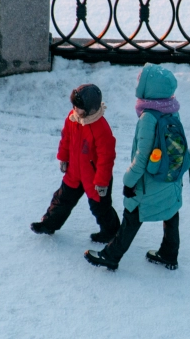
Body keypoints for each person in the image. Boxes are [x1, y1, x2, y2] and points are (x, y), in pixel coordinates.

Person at [85, 63, 184, 271]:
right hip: (170, 178)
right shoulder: (172, 109)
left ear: (150, 88)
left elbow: (141, 158)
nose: (138, 83)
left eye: (141, 81)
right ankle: (169, 254)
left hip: (148, 181)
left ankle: (111, 256)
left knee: (133, 216)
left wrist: (128, 182)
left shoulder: (149, 117)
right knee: (170, 212)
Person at [30, 84, 121, 242]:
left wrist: (102, 182)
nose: (74, 109)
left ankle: (111, 231)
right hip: (74, 171)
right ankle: (49, 224)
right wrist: (63, 158)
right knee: (62, 199)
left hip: (95, 177)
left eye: (78, 107)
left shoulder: (101, 129)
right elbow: (66, 139)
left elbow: (106, 158)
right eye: (73, 105)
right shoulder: (72, 118)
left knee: (100, 207)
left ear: (90, 108)